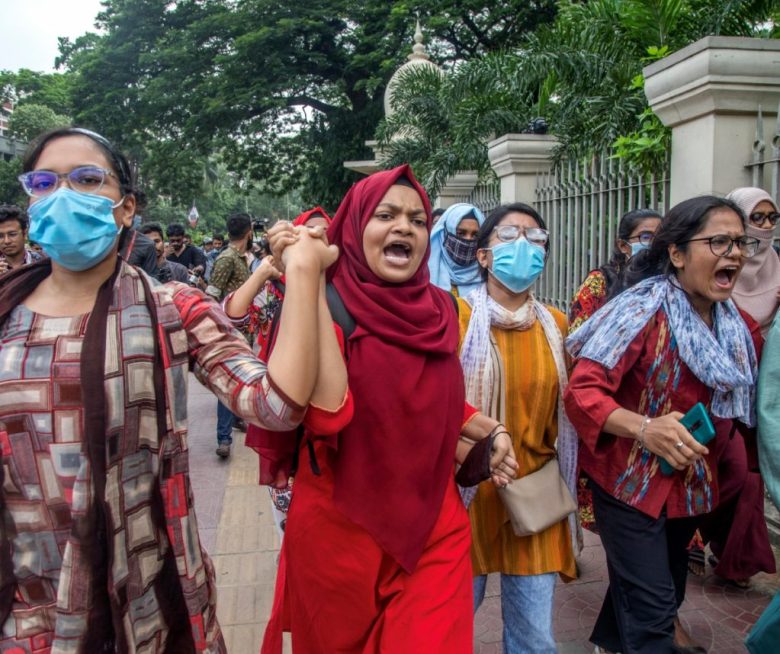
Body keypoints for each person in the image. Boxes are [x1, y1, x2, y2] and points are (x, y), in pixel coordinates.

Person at [0, 126, 333, 651]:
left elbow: (275, 403)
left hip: (147, 600)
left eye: (87, 179)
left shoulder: (170, 307)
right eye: (45, 182)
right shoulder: (5, 311)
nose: (63, 195)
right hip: (24, 610)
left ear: (125, 207)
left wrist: (304, 274)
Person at [260, 166, 518, 654]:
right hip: (340, 529)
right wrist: (310, 278)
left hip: (432, 523)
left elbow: (428, 395)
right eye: (386, 215)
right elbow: (330, 413)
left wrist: (490, 428)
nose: (405, 227)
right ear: (354, 228)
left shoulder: (440, 309)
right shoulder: (324, 304)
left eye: (418, 220)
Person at [564, 196, 762, 654]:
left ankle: (612, 642)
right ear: (676, 254)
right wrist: (644, 427)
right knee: (655, 617)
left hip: (688, 486)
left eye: (739, 243)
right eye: (718, 242)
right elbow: (582, 393)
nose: (733, 253)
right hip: (628, 484)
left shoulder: (739, 327)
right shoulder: (638, 314)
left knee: (661, 587)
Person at [459, 202, 578, 653]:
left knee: (535, 639)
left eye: (536, 238)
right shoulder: (456, 318)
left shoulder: (557, 325)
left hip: (534, 497)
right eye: (509, 238)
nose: (524, 247)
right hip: (466, 497)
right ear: (483, 256)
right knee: (445, 630)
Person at [205, 212, 257, 458]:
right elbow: (212, 295)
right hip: (229, 331)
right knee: (227, 384)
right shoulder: (227, 259)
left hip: (242, 331)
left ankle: (237, 420)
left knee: (240, 379)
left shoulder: (241, 258)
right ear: (249, 232)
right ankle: (223, 437)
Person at [569, 208, 662, 333]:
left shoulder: (669, 282)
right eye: (646, 237)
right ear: (623, 246)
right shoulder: (600, 282)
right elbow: (577, 336)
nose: (655, 243)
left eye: (660, 236)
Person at [726, 187, 780, 336]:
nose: (768, 225)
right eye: (757, 217)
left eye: (773, 217)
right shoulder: (719, 262)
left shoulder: (777, 259)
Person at [428, 202, 486, 296]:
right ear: (445, 234)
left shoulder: (489, 277)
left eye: (475, 235)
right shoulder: (425, 273)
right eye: (461, 233)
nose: (468, 239)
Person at [0, 204, 41, 274]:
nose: (7, 241)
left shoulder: (43, 264)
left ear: (25, 234)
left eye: (12, 234)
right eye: (0, 236)